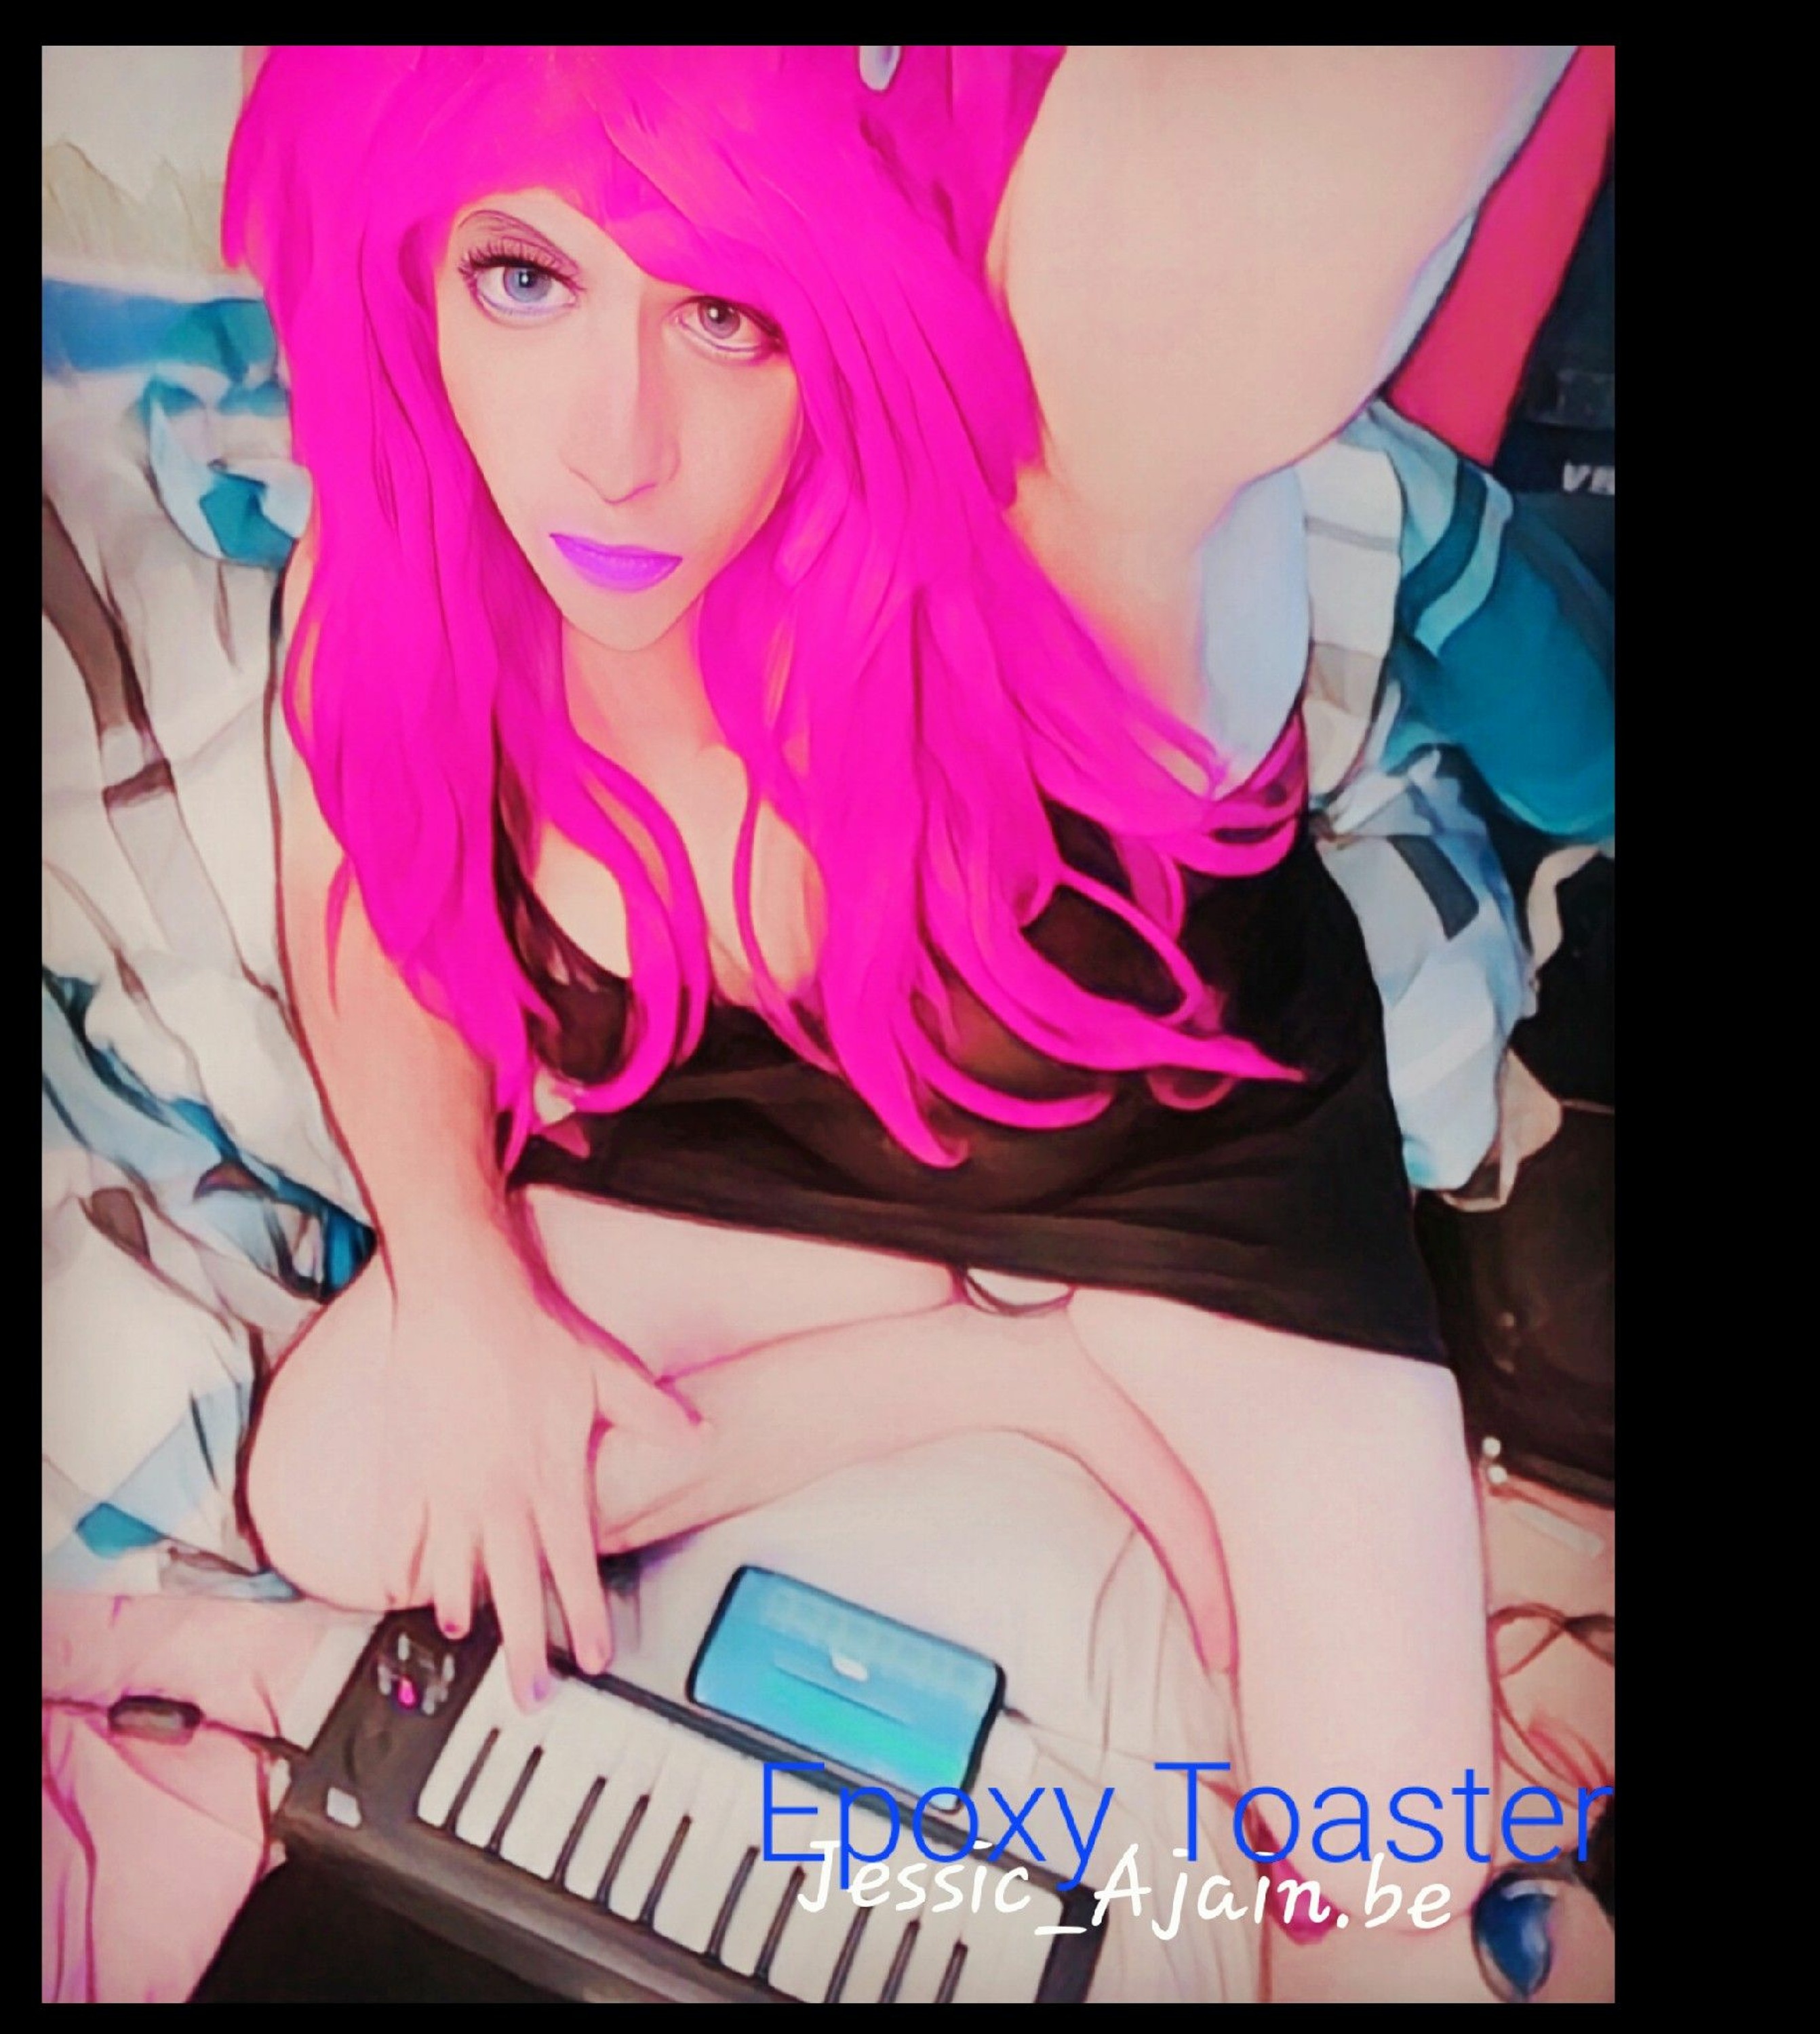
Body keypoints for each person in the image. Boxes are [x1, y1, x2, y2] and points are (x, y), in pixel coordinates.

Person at [228, 47, 1573, 1999]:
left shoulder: (1061, 487)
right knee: (338, 1488)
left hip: (1180, 1176)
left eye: (725, 312)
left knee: (1384, 1895)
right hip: (745, 1160)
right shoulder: (418, 525)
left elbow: (1284, 167)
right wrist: (461, 1280)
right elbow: (362, 893)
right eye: (524, 276)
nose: (612, 451)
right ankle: (1013, 1372)